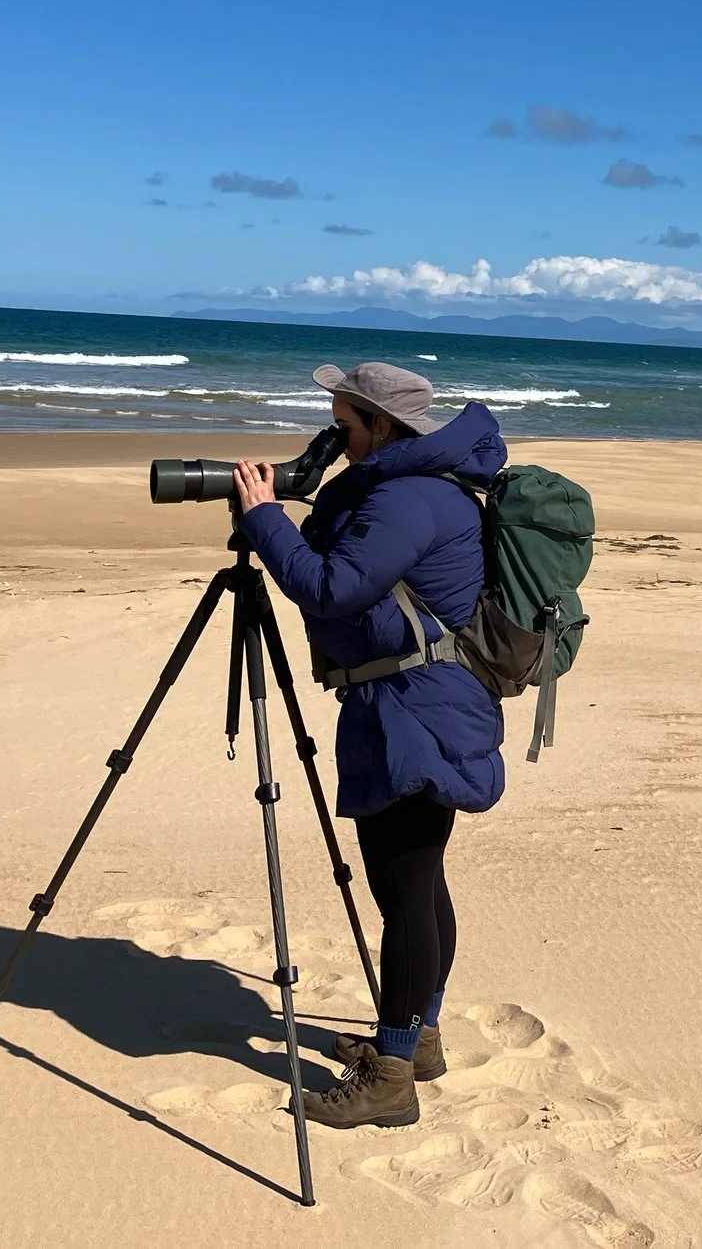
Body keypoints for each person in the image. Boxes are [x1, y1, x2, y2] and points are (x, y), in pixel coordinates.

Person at [233, 360, 507, 1130]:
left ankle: (391, 1077)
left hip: (415, 714)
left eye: (343, 421)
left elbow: (328, 587)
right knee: (419, 885)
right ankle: (416, 1042)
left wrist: (264, 520)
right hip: (419, 704)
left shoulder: (409, 498)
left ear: (381, 426)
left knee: (405, 893)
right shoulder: (408, 488)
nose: (334, 431)